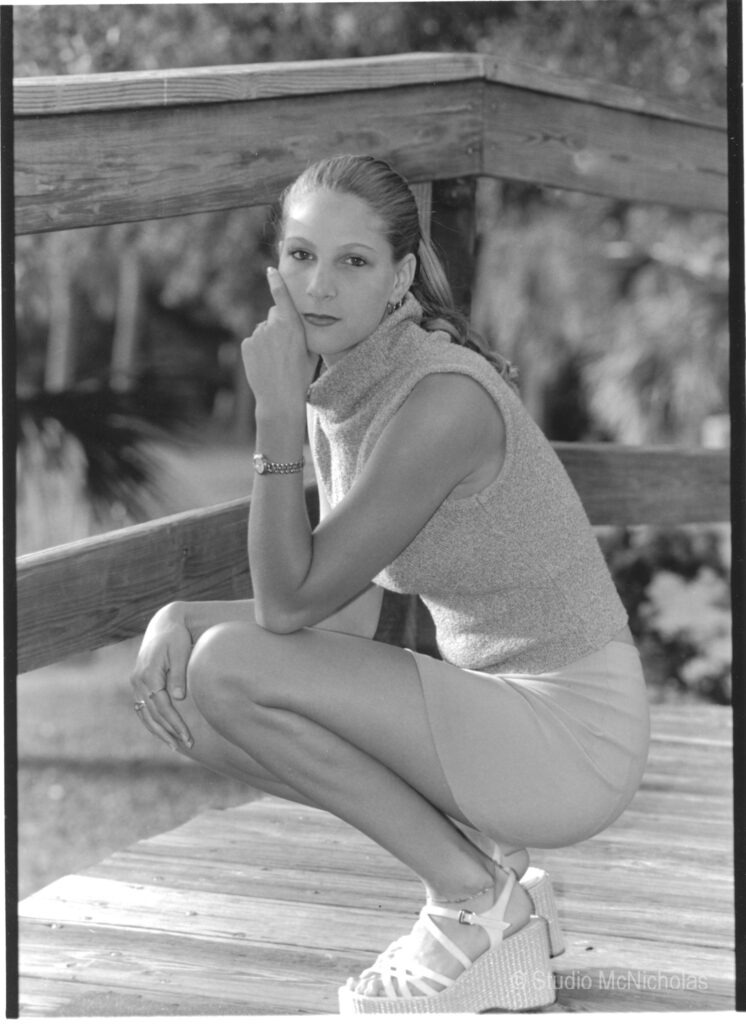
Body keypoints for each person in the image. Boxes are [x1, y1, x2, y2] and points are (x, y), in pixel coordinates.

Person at [130, 154, 650, 1014]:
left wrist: (273, 415)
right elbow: (350, 604)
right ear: (275, 265)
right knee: (194, 686)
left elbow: (291, 605)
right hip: (497, 710)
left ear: (401, 274)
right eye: (301, 256)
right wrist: (179, 614)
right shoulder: (356, 384)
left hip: (571, 737)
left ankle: (475, 904)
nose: (319, 286)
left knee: (228, 669)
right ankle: (495, 887)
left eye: (354, 261)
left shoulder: (438, 400)